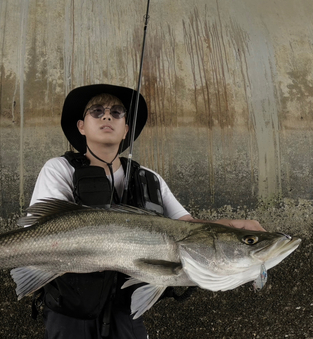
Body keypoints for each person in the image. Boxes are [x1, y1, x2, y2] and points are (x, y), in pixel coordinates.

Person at [28, 84, 265, 339]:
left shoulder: (149, 178)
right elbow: (40, 231)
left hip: (127, 308)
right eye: (96, 111)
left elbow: (188, 227)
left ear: (126, 129)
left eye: (117, 112)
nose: (107, 116)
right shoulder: (59, 169)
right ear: (81, 126)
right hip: (71, 308)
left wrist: (235, 227)